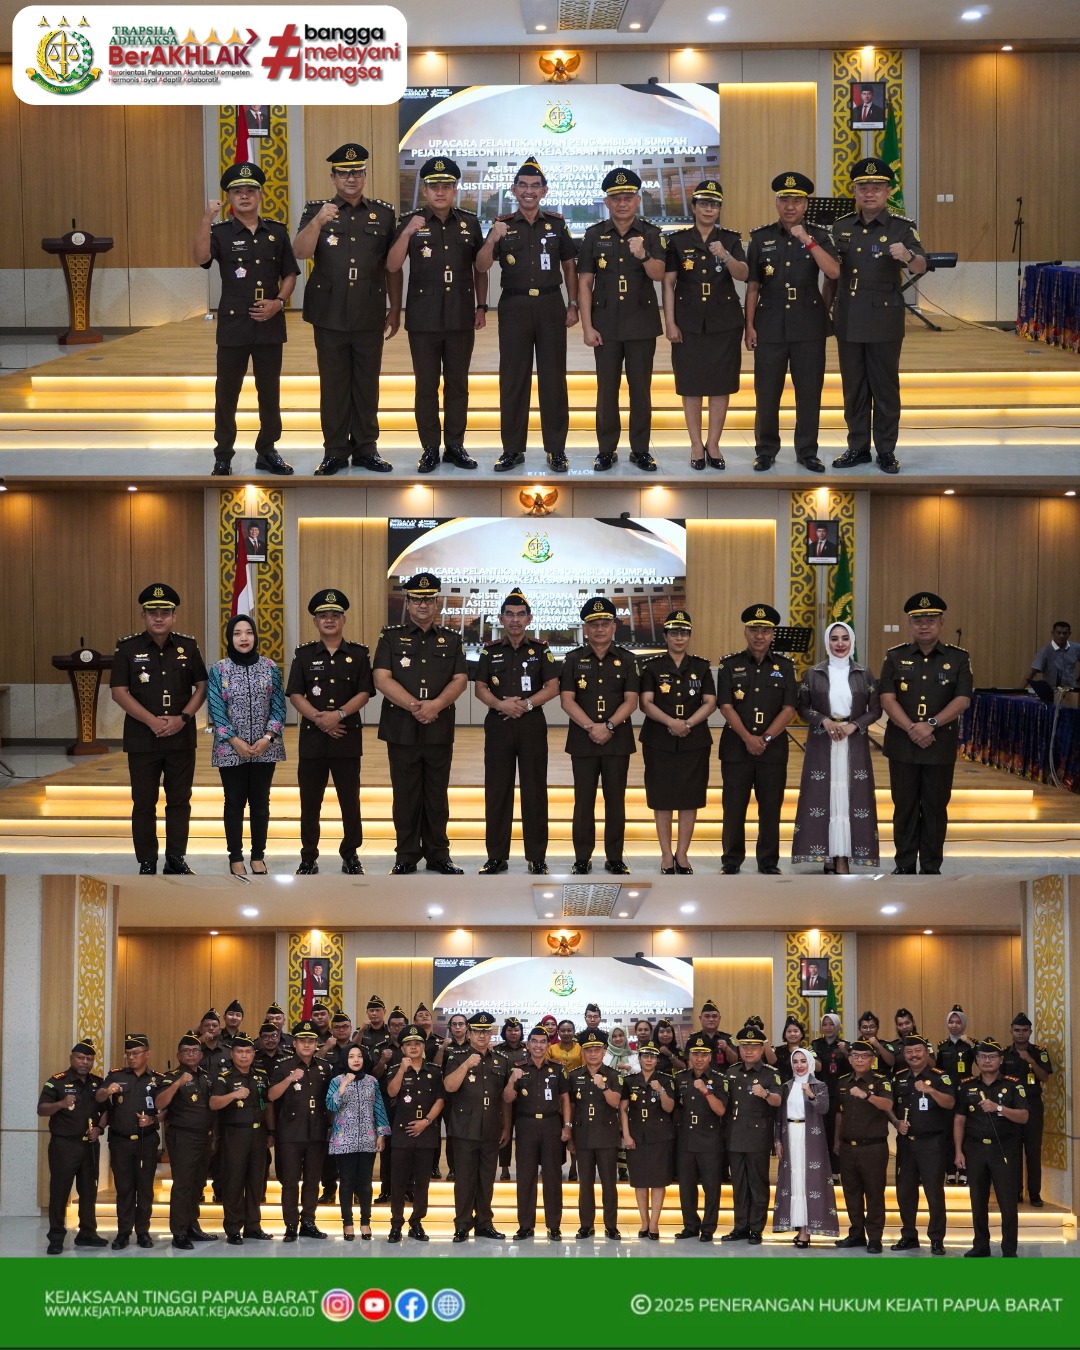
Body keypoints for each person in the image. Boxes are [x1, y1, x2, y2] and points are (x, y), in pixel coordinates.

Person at [293, 142, 400, 476]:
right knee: (334, 384)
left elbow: (392, 265)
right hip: (329, 311)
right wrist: (318, 222)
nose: (351, 178)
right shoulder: (316, 210)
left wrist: (396, 307)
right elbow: (300, 252)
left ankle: (367, 448)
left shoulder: (384, 213)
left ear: (365, 175)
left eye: (357, 172)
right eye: (344, 173)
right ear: (333, 177)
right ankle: (336, 450)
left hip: (369, 309)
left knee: (367, 383)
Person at [475, 155, 578, 473]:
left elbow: (569, 265)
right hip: (514, 308)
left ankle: (556, 450)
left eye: (535, 186)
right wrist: (492, 238)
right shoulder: (502, 225)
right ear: (514, 190)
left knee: (553, 380)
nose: (529, 191)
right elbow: (481, 265)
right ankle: (512, 450)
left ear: (544, 191)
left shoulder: (556, 224)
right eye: (523, 185)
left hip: (550, 305)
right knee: (513, 380)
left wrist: (573, 303)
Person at [194, 161, 298, 477]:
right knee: (227, 393)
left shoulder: (276, 231)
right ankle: (223, 454)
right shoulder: (220, 232)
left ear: (260, 196)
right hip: (234, 324)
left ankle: (267, 450)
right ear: (229, 198)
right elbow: (200, 258)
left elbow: (290, 273)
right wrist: (206, 219)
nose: (244, 196)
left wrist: (279, 303)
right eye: (237, 191)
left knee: (270, 392)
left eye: (250, 191)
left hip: (270, 323)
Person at [386, 157, 486, 473]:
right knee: (426, 386)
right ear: (425, 191)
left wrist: (481, 306)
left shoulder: (469, 222)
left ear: (455, 190)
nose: (440, 192)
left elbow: (480, 268)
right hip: (423, 318)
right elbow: (392, 265)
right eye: (434, 187)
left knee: (458, 385)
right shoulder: (410, 221)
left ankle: (455, 446)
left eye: (446, 186)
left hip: (460, 316)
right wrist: (406, 234)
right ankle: (430, 448)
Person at [830, 157, 927, 475]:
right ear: (854, 192)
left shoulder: (901, 227)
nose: (869, 193)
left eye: (876, 188)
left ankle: (886, 450)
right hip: (848, 316)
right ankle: (857, 447)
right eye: (863, 188)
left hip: (884, 320)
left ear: (887, 192)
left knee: (884, 388)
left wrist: (908, 255)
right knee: (854, 387)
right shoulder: (841, 226)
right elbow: (832, 274)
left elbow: (921, 264)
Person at [744, 171, 839, 474]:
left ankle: (807, 451)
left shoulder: (819, 235)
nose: (790, 206)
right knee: (767, 392)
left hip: (808, 324)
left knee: (809, 392)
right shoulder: (761, 237)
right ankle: (765, 450)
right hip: (769, 323)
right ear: (777, 202)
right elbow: (753, 285)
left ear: (806, 204)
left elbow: (833, 273)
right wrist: (749, 325)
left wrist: (807, 241)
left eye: (796, 200)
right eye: (784, 199)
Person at [374, 573, 469, 875]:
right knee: (405, 795)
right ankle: (406, 855)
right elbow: (381, 678)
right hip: (401, 728)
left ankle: (439, 855)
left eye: (429, 599)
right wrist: (417, 707)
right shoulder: (390, 637)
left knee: (437, 795)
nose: (423, 605)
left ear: (437, 603)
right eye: (417, 599)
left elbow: (460, 679)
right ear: (408, 603)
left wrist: (435, 706)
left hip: (438, 727)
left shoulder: (452, 639)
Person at [110, 583, 208, 875]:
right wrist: (152, 722)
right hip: (142, 738)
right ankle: (147, 861)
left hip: (181, 737)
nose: (159, 617)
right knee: (143, 802)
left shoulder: (188, 646)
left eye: (165, 612)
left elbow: (202, 686)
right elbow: (119, 691)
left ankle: (176, 858)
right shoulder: (128, 648)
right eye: (152, 612)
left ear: (174, 616)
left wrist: (183, 718)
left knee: (179, 800)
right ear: (143, 615)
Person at [577, 168, 666, 472]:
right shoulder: (594, 234)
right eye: (616, 198)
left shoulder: (651, 234)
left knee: (640, 390)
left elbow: (659, 274)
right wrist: (587, 326)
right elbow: (585, 282)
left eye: (628, 197)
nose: (622, 203)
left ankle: (640, 450)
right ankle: (606, 449)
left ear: (637, 200)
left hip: (641, 323)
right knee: (607, 391)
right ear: (607, 202)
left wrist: (643, 255)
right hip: (605, 324)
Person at [879, 593, 973, 874]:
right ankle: (905, 864)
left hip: (939, 745)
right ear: (910, 624)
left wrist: (930, 724)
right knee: (904, 807)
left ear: (941, 623)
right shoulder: (895, 656)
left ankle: (931, 865)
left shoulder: (959, 658)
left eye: (930, 620)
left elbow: (962, 700)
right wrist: (912, 728)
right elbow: (886, 698)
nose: (924, 626)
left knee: (935, 808)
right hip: (903, 745)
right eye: (918, 621)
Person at [287, 588, 375, 876]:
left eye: (335, 615)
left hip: (346, 737)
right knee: (310, 802)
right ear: (315, 621)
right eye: (323, 616)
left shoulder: (359, 654)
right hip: (313, 739)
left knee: (350, 801)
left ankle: (350, 855)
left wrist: (338, 715)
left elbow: (364, 692)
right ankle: (308, 856)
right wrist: (319, 719)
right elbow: (295, 694)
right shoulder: (303, 654)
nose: (329, 620)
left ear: (343, 620)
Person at [661, 179, 747, 470]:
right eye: (704, 204)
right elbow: (669, 283)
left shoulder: (730, 239)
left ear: (720, 209)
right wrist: (670, 322)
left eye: (714, 204)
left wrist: (725, 255)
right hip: (688, 321)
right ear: (694, 207)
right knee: (691, 385)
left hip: (724, 321)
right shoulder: (678, 241)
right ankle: (696, 444)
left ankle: (714, 443)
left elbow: (743, 274)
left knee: (721, 385)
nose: (709, 209)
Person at [475, 587, 561, 875]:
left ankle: (537, 857)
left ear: (529, 619)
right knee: (497, 791)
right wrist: (501, 704)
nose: (515, 620)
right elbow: (480, 687)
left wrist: (526, 704)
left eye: (520, 614)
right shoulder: (489, 650)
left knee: (534, 791)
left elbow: (552, 687)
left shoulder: (541, 649)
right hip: (498, 724)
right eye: (509, 615)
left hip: (531, 724)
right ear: (500, 619)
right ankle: (496, 857)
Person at [559, 596, 641, 875]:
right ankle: (582, 857)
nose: (599, 629)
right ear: (585, 629)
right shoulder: (573, 659)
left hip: (617, 741)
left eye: (605, 623)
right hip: (583, 741)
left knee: (615, 801)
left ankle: (614, 857)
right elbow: (567, 700)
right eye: (593, 624)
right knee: (583, 802)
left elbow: (631, 700)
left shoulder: (628, 660)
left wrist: (608, 726)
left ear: (614, 627)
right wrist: (591, 727)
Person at [792, 621, 881, 873]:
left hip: (853, 743)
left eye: (844, 638)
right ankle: (828, 853)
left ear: (852, 641)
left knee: (849, 798)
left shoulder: (864, 673)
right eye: (834, 639)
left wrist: (854, 725)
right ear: (827, 642)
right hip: (823, 742)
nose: (840, 644)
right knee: (825, 797)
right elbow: (802, 707)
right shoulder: (813, 673)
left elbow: (875, 710)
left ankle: (843, 857)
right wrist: (824, 720)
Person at [716, 603, 798, 875]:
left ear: (773, 634)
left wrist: (766, 737)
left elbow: (789, 709)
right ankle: (731, 860)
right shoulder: (730, 665)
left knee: (771, 808)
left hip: (772, 750)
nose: (759, 635)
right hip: (736, 748)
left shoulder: (785, 666)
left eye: (765, 630)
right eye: (754, 629)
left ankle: (768, 861)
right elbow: (726, 706)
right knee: (734, 807)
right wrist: (748, 738)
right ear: (745, 632)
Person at [206, 614, 286, 876]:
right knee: (234, 802)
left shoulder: (270, 667)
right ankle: (236, 857)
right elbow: (216, 709)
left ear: (255, 636)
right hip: (230, 748)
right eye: (237, 633)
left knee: (261, 803)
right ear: (229, 638)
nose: (243, 638)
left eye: (249, 632)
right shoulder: (219, 670)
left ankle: (258, 856)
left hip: (266, 748)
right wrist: (234, 740)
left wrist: (267, 738)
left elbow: (279, 707)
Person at [639, 609, 717, 873]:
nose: (679, 638)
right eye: (674, 633)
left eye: (684, 633)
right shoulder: (652, 667)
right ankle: (665, 855)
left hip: (694, 740)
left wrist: (688, 724)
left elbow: (710, 702)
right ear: (665, 636)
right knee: (661, 798)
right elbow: (646, 703)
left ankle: (682, 855)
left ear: (690, 636)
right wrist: (671, 723)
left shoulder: (701, 667)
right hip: (659, 739)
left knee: (689, 798)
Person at [954, 1038, 1029, 1258]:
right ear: (976, 1060)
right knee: (977, 1200)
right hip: (975, 1149)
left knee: (1007, 1201)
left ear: (1000, 1060)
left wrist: (999, 1108)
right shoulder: (967, 1086)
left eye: (992, 1057)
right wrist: (958, 1151)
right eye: (983, 1057)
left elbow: (1024, 1116)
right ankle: (980, 1245)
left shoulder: (1013, 1085)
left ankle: (1009, 1249)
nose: (987, 1061)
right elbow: (959, 1120)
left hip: (1004, 1149)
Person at [442, 1010, 512, 1242]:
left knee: (486, 1179)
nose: (482, 1036)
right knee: (464, 1180)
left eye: (486, 1031)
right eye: (478, 1031)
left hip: (491, 1128)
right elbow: (449, 1086)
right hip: (464, 1129)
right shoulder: (456, 1056)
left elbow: (504, 1098)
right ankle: (462, 1224)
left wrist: (506, 1127)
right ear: (470, 1033)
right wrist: (466, 1065)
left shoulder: (501, 1059)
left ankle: (484, 1223)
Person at [266, 1020, 334, 1241]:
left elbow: (330, 1101)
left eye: (311, 1041)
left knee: (313, 1181)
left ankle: (308, 1222)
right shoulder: (283, 1065)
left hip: (317, 1132)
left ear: (317, 1044)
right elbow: (270, 1096)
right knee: (290, 1181)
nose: (307, 1044)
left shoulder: (325, 1067)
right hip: (290, 1133)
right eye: (302, 1040)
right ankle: (291, 1224)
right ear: (294, 1043)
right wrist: (289, 1079)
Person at [38, 1037, 106, 1255]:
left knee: (89, 1191)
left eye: (89, 1059)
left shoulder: (98, 1083)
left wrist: (99, 1129)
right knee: (60, 1192)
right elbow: (41, 1109)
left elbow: (107, 1110)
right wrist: (61, 1103)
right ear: (71, 1058)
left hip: (90, 1145)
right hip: (64, 1145)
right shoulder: (57, 1081)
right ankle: (56, 1236)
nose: (85, 1062)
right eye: (80, 1058)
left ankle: (87, 1233)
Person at [891, 1034, 956, 1255]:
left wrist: (930, 1091)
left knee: (934, 1193)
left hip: (932, 1144)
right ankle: (909, 1235)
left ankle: (936, 1238)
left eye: (918, 1051)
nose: (914, 1055)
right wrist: (896, 1122)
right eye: (909, 1052)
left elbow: (950, 1103)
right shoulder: (899, 1077)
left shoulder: (940, 1076)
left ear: (927, 1053)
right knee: (905, 1192)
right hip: (906, 1144)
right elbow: (890, 1107)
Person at [95, 1033, 160, 1249]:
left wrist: (152, 1119)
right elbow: (99, 1097)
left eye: (136, 1053)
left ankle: (143, 1232)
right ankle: (123, 1232)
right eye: (128, 1054)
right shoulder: (116, 1076)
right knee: (124, 1188)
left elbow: (166, 1109)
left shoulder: (157, 1078)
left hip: (146, 1141)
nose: (131, 1057)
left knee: (145, 1188)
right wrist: (107, 1090)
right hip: (120, 1141)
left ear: (147, 1054)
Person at [504, 1023, 567, 1241]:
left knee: (553, 1177)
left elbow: (565, 1099)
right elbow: (507, 1098)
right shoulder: (518, 1068)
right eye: (534, 1042)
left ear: (548, 1045)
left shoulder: (557, 1069)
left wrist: (567, 1126)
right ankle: (525, 1225)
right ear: (528, 1044)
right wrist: (512, 1080)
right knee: (525, 1177)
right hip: (526, 1125)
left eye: (543, 1042)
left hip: (551, 1125)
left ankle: (554, 1225)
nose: (538, 1046)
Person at [154, 1031, 218, 1249]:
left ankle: (192, 1226)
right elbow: (159, 1103)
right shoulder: (171, 1076)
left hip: (204, 1137)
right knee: (182, 1185)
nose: (191, 1054)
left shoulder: (207, 1077)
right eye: (186, 1051)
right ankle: (179, 1232)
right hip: (183, 1137)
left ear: (200, 1054)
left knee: (197, 1184)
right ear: (178, 1055)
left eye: (194, 1051)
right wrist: (178, 1083)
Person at [719, 1027, 781, 1246]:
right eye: (745, 1046)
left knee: (758, 1184)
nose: (749, 1051)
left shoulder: (769, 1073)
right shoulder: (732, 1071)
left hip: (757, 1137)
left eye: (754, 1047)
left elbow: (778, 1100)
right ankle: (740, 1227)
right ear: (739, 1048)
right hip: (734, 1136)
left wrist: (765, 1093)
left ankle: (756, 1228)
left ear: (762, 1049)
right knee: (739, 1185)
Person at [210, 1032, 271, 1244]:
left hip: (258, 1134)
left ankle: (253, 1226)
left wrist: (271, 1132)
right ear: (232, 1054)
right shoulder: (224, 1077)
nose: (244, 1056)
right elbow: (213, 1103)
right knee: (234, 1182)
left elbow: (267, 1104)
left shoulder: (260, 1075)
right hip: (234, 1134)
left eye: (248, 1051)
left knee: (256, 1182)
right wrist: (233, 1095)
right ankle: (233, 1228)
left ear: (253, 1054)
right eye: (239, 1052)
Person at [563, 1029, 624, 1240]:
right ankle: (586, 1225)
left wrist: (604, 1086)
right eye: (588, 1050)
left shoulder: (613, 1075)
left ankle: (611, 1226)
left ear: (604, 1052)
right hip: (583, 1137)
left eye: (597, 1050)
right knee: (585, 1184)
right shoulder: (574, 1076)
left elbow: (616, 1103)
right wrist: (570, 1136)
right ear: (583, 1052)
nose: (593, 1054)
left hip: (606, 1137)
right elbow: (570, 1107)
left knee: (609, 1184)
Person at [833, 1040, 894, 1253]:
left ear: (872, 1060)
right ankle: (856, 1233)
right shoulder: (843, 1081)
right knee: (851, 1193)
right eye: (855, 1056)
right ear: (850, 1059)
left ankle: (875, 1237)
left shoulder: (881, 1080)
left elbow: (888, 1104)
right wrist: (837, 1140)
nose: (859, 1060)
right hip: (848, 1147)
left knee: (874, 1193)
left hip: (873, 1148)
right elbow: (839, 1113)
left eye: (864, 1056)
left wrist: (867, 1095)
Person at [772, 1047, 837, 1247]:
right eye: (795, 1061)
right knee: (794, 1180)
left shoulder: (819, 1085)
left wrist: (810, 1093)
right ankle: (799, 1225)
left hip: (811, 1138)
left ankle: (806, 1231)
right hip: (790, 1136)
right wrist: (777, 1140)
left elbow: (823, 1108)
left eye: (803, 1061)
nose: (799, 1065)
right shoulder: (786, 1086)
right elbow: (779, 1116)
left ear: (809, 1063)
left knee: (810, 1180)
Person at [384, 1026, 444, 1241]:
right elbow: (391, 1092)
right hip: (402, 1135)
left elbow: (440, 1100)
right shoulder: (395, 1069)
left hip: (426, 1135)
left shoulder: (434, 1071)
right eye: (408, 1044)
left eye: (417, 1043)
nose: (413, 1047)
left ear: (423, 1046)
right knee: (398, 1182)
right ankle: (396, 1224)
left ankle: (416, 1222)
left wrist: (426, 1122)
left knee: (422, 1183)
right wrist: (402, 1070)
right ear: (402, 1049)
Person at [325, 1043, 390, 1240]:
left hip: (368, 1139)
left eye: (359, 1056)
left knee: (365, 1184)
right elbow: (331, 1105)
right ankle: (347, 1223)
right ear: (345, 1060)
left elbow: (379, 1108)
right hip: (344, 1140)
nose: (355, 1060)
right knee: (346, 1182)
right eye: (351, 1056)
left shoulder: (372, 1081)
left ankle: (365, 1222)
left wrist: (381, 1134)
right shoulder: (337, 1080)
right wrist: (345, 1084)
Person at [672, 1032, 726, 1242]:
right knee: (686, 1187)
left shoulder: (719, 1079)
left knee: (711, 1187)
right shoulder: (681, 1078)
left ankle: (708, 1227)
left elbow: (721, 1110)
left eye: (704, 1054)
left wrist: (706, 1091)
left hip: (710, 1140)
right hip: (686, 1140)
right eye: (695, 1054)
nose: (699, 1058)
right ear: (689, 1056)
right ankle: (691, 1226)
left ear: (710, 1056)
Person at [620, 1041, 676, 1240]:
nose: (649, 1060)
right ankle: (644, 1222)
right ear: (640, 1059)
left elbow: (669, 1108)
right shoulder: (629, 1081)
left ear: (657, 1060)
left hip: (660, 1137)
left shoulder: (666, 1080)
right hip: (637, 1136)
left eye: (653, 1057)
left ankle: (654, 1224)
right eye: (645, 1056)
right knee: (640, 1181)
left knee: (658, 1181)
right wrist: (626, 1135)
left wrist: (661, 1091)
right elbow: (623, 1110)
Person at [1002, 1012, 1053, 1207]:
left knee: (1033, 1151)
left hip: (1033, 1106)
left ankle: (1034, 1193)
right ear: (1011, 1031)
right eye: (1017, 1030)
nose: (1021, 1033)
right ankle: (1015, 1191)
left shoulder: (1039, 1052)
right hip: (1012, 1107)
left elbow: (1045, 1077)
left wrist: (1030, 1060)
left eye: (1024, 1030)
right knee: (1013, 1151)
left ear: (1030, 1032)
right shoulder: (1004, 1054)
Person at [812, 1012, 850, 1173]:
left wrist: (846, 1052)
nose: (828, 1027)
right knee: (821, 1130)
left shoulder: (845, 1045)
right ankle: (821, 1169)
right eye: (825, 1024)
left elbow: (853, 1067)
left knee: (837, 1131)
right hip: (820, 1093)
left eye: (831, 1024)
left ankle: (836, 1170)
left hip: (838, 1093)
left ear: (838, 1026)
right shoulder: (815, 1045)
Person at [1025, 620, 1080, 696]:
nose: (1062, 636)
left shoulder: (1076, 648)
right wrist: (1019, 691)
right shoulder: (1045, 651)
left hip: (1072, 692)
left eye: (1065, 633)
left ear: (1069, 634)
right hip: (1052, 692)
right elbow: (1032, 672)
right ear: (1053, 633)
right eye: (1058, 633)